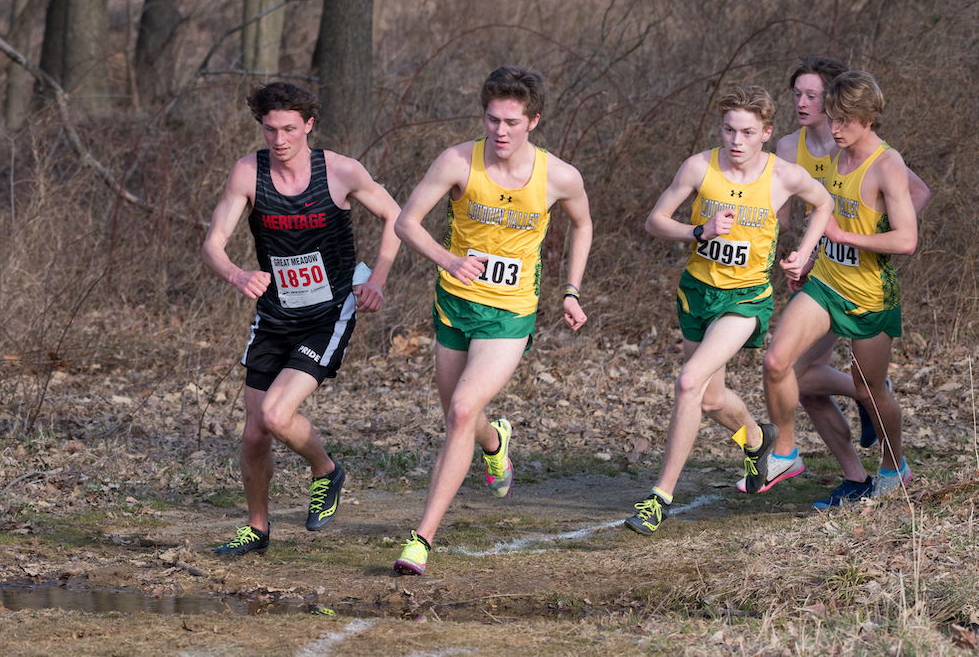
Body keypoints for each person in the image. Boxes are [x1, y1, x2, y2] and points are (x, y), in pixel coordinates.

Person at [391, 66, 592, 574]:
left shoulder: (559, 176)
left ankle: (421, 538)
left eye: (511, 122)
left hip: (511, 311)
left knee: (460, 409)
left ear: (534, 121)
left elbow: (583, 224)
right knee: (461, 416)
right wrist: (448, 260)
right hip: (456, 304)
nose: (500, 131)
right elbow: (406, 222)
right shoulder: (457, 161)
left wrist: (571, 290)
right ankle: (494, 442)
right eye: (491, 119)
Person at [201, 82, 401, 555]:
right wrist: (236, 274)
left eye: (289, 128)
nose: (280, 139)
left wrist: (377, 280)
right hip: (274, 314)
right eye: (270, 129)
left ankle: (326, 469)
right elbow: (213, 244)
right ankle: (257, 529)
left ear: (309, 125)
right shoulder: (248, 173)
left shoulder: (341, 171)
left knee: (274, 414)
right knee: (253, 433)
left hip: (328, 313)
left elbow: (397, 217)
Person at [624, 85, 834, 535]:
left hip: (746, 299)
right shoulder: (700, 166)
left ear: (766, 133)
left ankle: (659, 497)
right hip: (698, 293)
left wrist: (803, 251)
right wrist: (699, 230)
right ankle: (756, 439)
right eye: (729, 130)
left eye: (747, 132)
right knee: (713, 398)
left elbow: (825, 203)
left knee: (689, 383)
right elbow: (655, 221)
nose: (736, 141)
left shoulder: (784, 176)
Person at [739, 60, 929, 495]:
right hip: (826, 282)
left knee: (869, 390)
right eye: (833, 118)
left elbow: (906, 241)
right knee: (777, 363)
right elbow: (823, 217)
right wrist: (808, 256)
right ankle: (785, 453)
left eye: (843, 120)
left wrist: (846, 236)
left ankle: (893, 466)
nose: (835, 127)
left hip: (870, 293)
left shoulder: (888, 165)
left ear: (866, 120)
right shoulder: (839, 153)